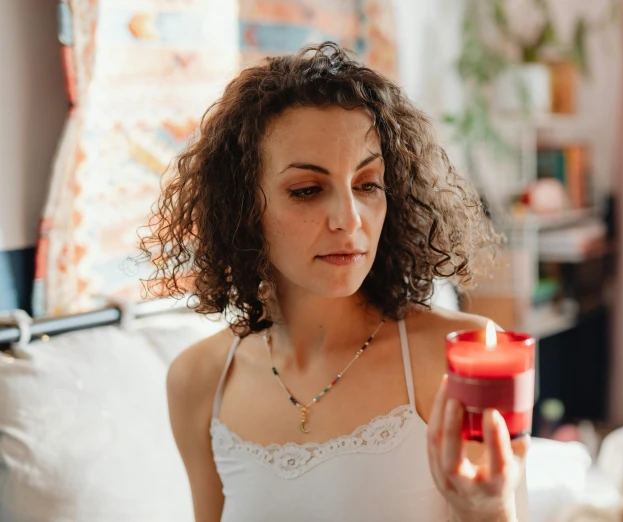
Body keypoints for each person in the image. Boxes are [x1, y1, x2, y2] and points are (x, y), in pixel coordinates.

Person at [139, 42, 529, 522]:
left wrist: (490, 510)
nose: (350, 219)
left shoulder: (460, 358)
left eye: (367, 184)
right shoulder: (198, 381)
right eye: (307, 190)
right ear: (242, 210)